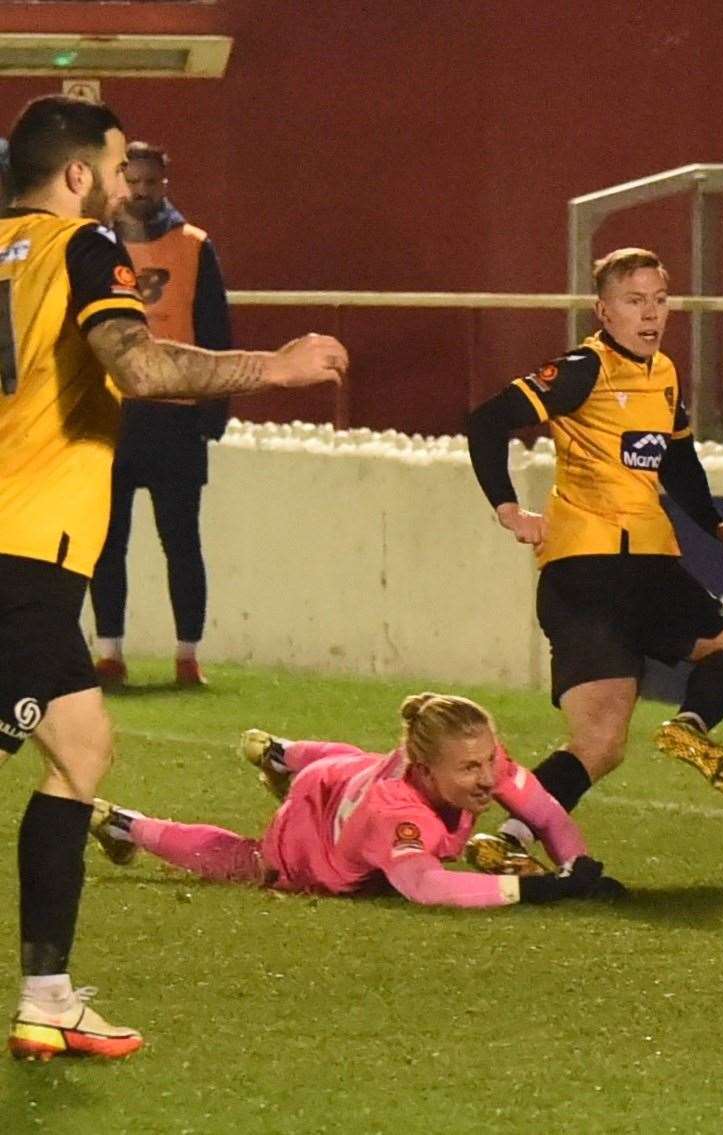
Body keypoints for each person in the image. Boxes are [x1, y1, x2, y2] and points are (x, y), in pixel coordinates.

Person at [0, 94, 346, 1062]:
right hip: (22, 552)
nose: (120, 187)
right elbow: (140, 365)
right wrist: (270, 367)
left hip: (28, 555)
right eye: (113, 169)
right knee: (68, 749)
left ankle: (48, 995)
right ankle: (45, 993)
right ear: (77, 175)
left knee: (78, 747)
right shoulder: (81, 251)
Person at [464, 247, 723, 841]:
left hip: (647, 567)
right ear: (604, 311)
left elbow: (678, 460)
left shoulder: (665, 372)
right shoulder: (584, 368)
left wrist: (718, 526)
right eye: (634, 302)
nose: (650, 315)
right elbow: (487, 421)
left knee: (720, 668)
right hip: (588, 568)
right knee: (609, 736)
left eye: (659, 301)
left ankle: (686, 729)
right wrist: (507, 509)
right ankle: (512, 839)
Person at [83, 693, 623, 916]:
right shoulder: (399, 814)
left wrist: (579, 867)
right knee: (246, 864)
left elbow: (547, 813)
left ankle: (280, 752)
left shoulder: (474, 760)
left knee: (350, 760)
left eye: (489, 762)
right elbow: (428, 887)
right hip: (311, 826)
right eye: (470, 769)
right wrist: (540, 889)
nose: (488, 778)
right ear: (427, 769)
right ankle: (125, 824)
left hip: (345, 776)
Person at [90, 141, 235, 688]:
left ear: (165, 184)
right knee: (106, 541)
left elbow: (215, 331)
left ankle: (187, 655)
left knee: (182, 541)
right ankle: (109, 653)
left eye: (152, 182)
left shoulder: (193, 246)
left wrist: (212, 411)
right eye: (134, 182)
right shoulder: (95, 245)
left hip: (175, 416)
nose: (142, 192)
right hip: (111, 412)